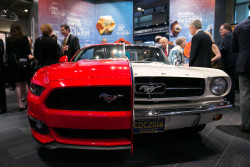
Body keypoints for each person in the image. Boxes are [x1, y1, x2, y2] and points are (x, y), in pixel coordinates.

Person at [231, 2, 250, 133]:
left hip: (244, 64)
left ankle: (246, 125)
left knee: (245, 95)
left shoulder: (239, 27)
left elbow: (234, 48)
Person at [6, 23, 31, 111]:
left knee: (17, 85)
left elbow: (8, 52)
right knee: (25, 84)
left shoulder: (9, 39)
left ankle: (20, 104)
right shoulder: (24, 38)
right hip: (23, 63)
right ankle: (28, 103)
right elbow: (28, 51)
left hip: (13, 64)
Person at [218, 23, 236, 106]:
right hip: (231, 63)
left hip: (228, 63)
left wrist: (216, 51)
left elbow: (223, 49)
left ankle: (229, 101)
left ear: (227, 29)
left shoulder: (228, 37)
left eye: (221, 29)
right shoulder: (231, 36)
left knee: (229, 83)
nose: (220, 31)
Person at [0, 39, 7, 114]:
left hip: (0, 68)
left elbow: (1, 51)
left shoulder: (0, 41)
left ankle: (2, 107)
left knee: (1, 89)